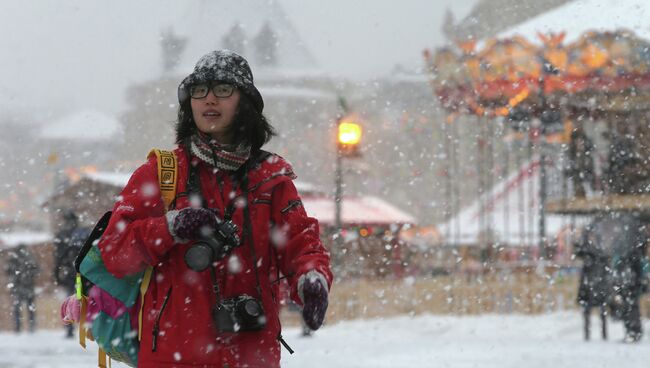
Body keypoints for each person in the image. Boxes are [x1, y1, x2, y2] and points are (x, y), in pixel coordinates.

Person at [92, 50, 332, 367]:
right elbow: (115, 252)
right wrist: (170, 227)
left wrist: (312, 279)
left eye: (222, 90)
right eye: (198, 91)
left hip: (251, 354)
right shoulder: (162, 173)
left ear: (244, 102)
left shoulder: (270, 177)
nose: (209, 100)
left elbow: (301, 243)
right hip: (173, 357)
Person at [53, 210, 86, 338]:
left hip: (70, 273)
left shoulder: (62, 235)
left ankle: (70, 328)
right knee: (80, 299)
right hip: (81, 273)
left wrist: (57, 275)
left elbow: (58, 258)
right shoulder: (82, 233)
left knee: (71, 300)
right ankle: (80, 327)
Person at [5, 244, 40, 333]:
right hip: (28, 286)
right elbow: (37, 270)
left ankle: (18, 327)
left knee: (18, 308)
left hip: (18, 287)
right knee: (30, 308)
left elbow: (8, 270)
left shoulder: (14, 258)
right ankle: (31, 327)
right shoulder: (30, 258)